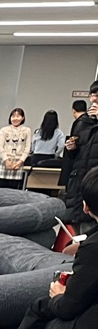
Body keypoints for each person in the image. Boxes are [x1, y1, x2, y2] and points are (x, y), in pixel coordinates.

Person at [12, 169, 98, 329]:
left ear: (86, 206)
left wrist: (58, 295)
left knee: (41, 307)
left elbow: (68, 308)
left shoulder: (93, 249)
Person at [64, 82, 98, 230]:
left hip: (95, 181)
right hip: (79, 180)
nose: (94, 99)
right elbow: (77, 152)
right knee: (78, 226)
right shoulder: (82, 123)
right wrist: (71, 148)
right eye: (92, 94)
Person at [0, 107, 32, 188]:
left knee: (14, 189)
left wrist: (20, 161)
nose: (15, 118)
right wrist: (6, 160)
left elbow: (27, 148)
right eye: (13, 116)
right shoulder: (4, 130)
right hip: (4, 162)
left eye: (18, 116)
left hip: (18, 163)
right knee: (0, 188)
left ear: (23, 118)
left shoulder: (27, 130)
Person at [61, 98, 90, 186]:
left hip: (78, 161)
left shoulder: (78, 123)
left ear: (73, 110)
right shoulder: (91, 121)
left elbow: (74, 142)